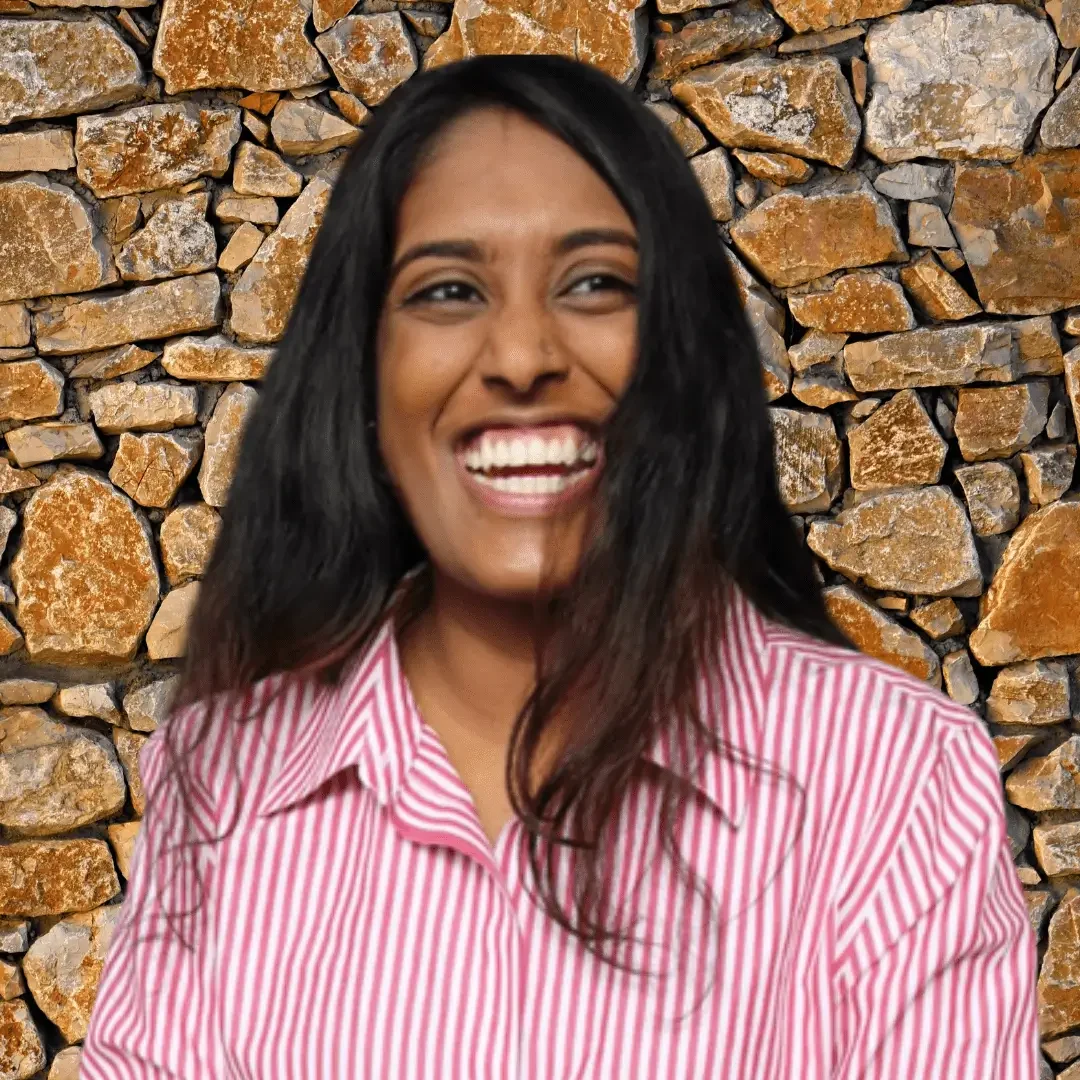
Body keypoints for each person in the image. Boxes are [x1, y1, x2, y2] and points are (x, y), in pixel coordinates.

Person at [80, 53, 1039, 1079]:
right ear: (361, 373)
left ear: (681, 360)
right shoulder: (221, 781)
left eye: (594, 283)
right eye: (448, 291)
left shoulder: (891, 784)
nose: (523, 354)